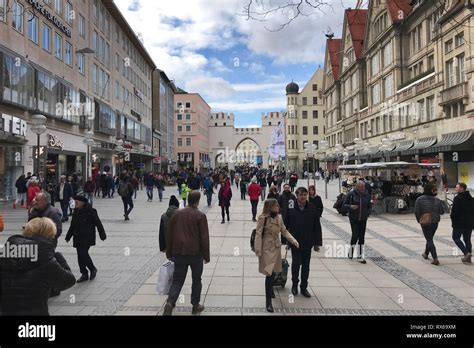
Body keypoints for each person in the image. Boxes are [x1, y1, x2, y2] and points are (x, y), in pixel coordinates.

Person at [0, 218, 76, 315]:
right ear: (49, 235)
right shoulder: (47, 261)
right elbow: (68, 281)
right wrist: (60, 258)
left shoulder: (5, 256)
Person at [163, 191, 210, 316]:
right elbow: (204, 237)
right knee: (196, 279)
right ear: (198, 201)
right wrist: (206, 256)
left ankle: (170, 302)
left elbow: (170, 234)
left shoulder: (177, 214)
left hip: (179, 253)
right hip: (195, 254)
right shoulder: (200, 215)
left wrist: (169, 252)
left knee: (177, 280)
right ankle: (195, 305)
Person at [254, 199, 299, 312]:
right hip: (266, 249)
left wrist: (293, 240)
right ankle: (268, 301)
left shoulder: (279, 218)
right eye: (276, 205)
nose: (278, 206)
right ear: (270, 207)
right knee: (269, 274)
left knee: (274, 272)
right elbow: (258, 234)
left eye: (278, 205)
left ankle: (271, 291)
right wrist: (257, 249)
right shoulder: (263, 218)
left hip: (276, 247)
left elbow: (284, 231)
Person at [284, 187, 319, 298]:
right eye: (301, 195)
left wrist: (317, 242)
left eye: (305, 194)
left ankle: (304, 287)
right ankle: (295, 285)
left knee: (306, 266)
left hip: (308, 241)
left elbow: (317, 226)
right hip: (295, 242)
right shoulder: (290, 208)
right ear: (296, 195)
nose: (303, 197)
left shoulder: (312, 208)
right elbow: (285, 225)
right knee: (296, 264)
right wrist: (285, 240)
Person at [65, 195, 106, 282]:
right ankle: (84, 273)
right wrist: (68, 236)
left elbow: (98, 223)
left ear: (82, 203)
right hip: (77, 237)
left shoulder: (91, 211)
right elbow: (72, 225)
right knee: (80, 256)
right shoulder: (76, 211)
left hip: (87, 236)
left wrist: (102, 235)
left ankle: (92, 268)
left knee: (83, 254)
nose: (75, 203)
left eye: (77, 202)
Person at [415, 183, 445, 266]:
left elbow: (417, 211)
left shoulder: (420, 199)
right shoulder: (437, 200)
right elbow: (442, 212)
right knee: (430, 238)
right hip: (435, 222)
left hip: (425, 222)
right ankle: (426, 253)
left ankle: (435, 258)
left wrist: (419, 220)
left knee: (429, 239)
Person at [343, 181, 372, 264]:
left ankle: (359, 255)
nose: (363, 188)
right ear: (357, 187)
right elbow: (344, 205)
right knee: (355, 235)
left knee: (362, 237)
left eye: (363, 187)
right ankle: (351, 252)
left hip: (363, 219)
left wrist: (367, 213)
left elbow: (369, 206)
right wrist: (350, 206)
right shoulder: (351, 194)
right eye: (361, 187)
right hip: (354, 218)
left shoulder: (367, 195)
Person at [450, 183, 473, 264]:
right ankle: (469, 258)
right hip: (469, 223)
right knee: (467, 239)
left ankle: (466, 253)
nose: (455, 188)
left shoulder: (457, 198)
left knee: (456, 237)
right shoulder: (470, 198)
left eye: (457, 187)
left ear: (462, 188)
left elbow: (454, 212)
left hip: (459, 223)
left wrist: (452, 219)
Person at [308, 185, 323, 252]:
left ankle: (316, 245)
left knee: (317, 231)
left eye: (312, 190)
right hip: (308, 217)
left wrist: (319, 214)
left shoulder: (318, 198)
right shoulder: (307, 198)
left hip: (316, 217)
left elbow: (321, 207)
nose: (311, 191)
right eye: (310, 190)